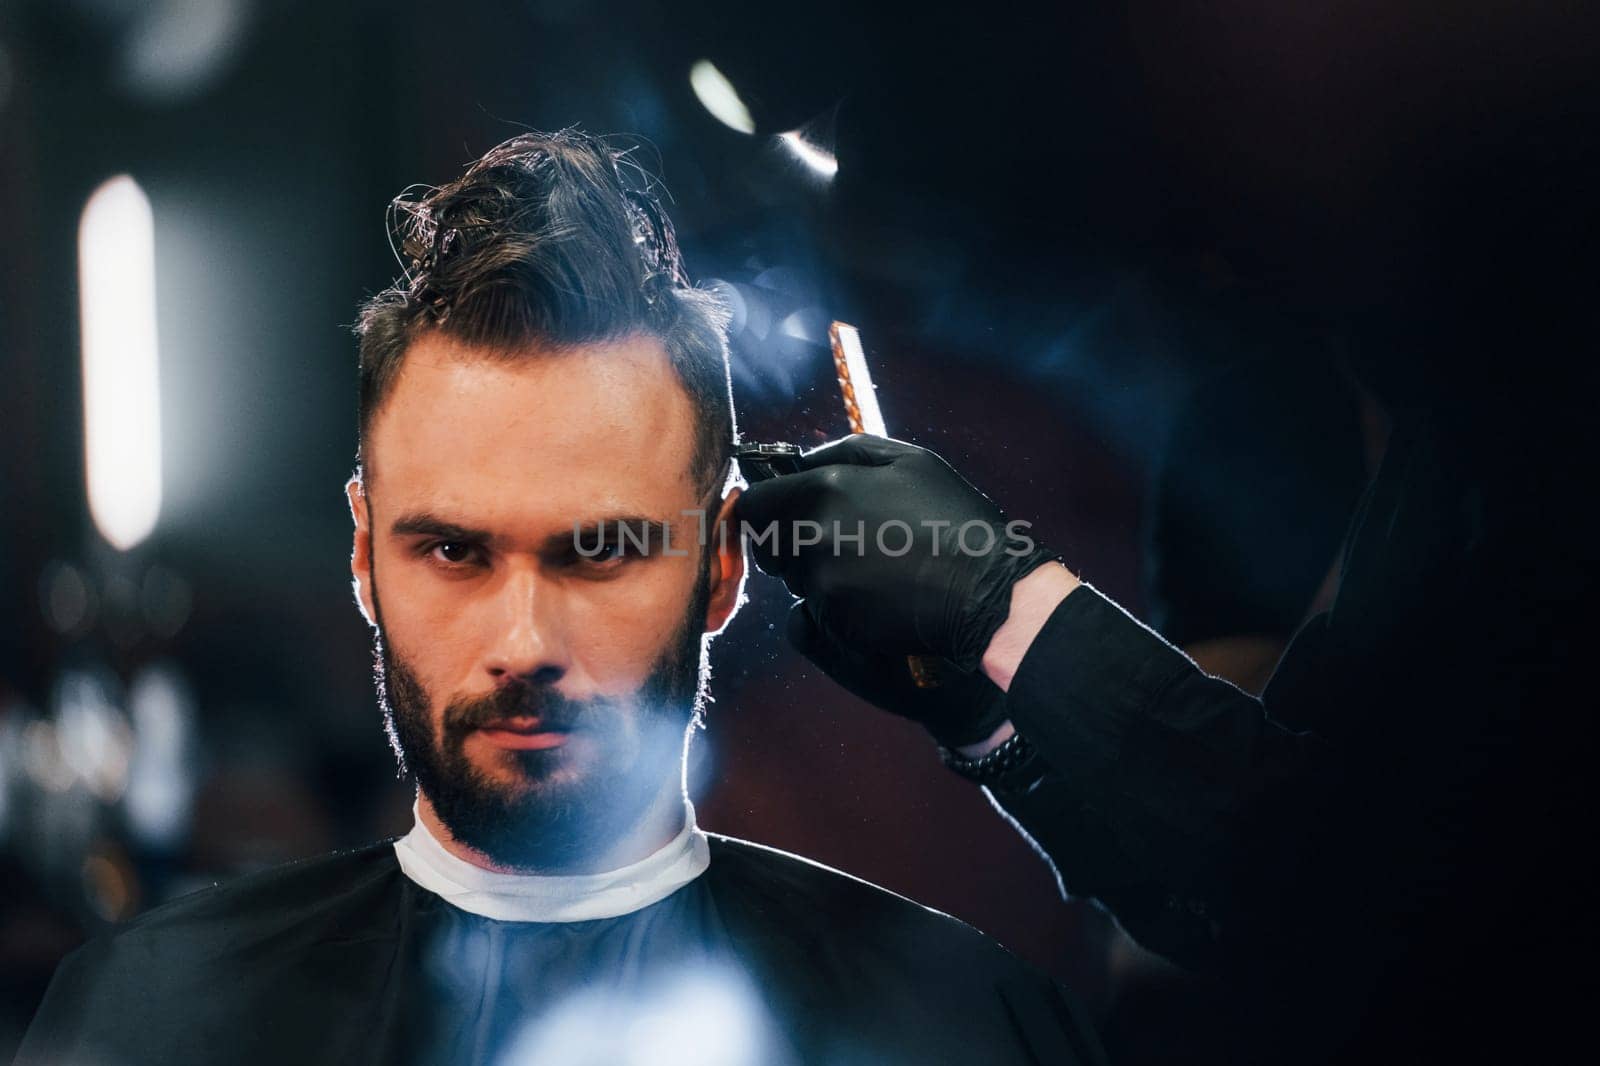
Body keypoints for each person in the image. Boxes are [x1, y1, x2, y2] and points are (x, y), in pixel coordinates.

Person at [15, 132, 1105, 1066]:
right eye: (451, 550)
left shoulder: (966, 1028)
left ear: (722, 564)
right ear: (364, 558)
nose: (524, 642)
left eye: (600, 551)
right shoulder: (149, 1020)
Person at [736, 400, 1594, 1061]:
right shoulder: (1428, 434)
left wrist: (1009, 608)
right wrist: (996, 722)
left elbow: (1382, 904)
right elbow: (1228, 918)